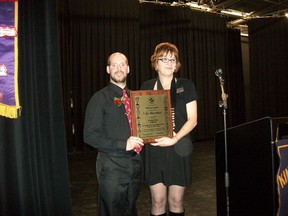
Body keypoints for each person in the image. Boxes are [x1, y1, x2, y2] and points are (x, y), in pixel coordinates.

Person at [141, 42, 198, 216]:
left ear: (177, 64)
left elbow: (193, 119)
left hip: (179, 147)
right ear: (155, 63)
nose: (168, 63)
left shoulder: (186, 85)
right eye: (164, 59)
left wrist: (175, 138)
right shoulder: (146, 87)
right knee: (158, 201)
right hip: (154, 148)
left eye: (172, 59)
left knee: (176, 201)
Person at [83, 52, 144, 216]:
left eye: (122, 64)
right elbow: (89, 136)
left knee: (130, 209)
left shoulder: (137, 98)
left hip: (135, 164)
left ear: (128, 68)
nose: (119, 68)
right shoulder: (99, 99)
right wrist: (123, 144)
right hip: (111, 167)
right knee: (111, 212)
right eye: (114, 65)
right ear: (108, 69)